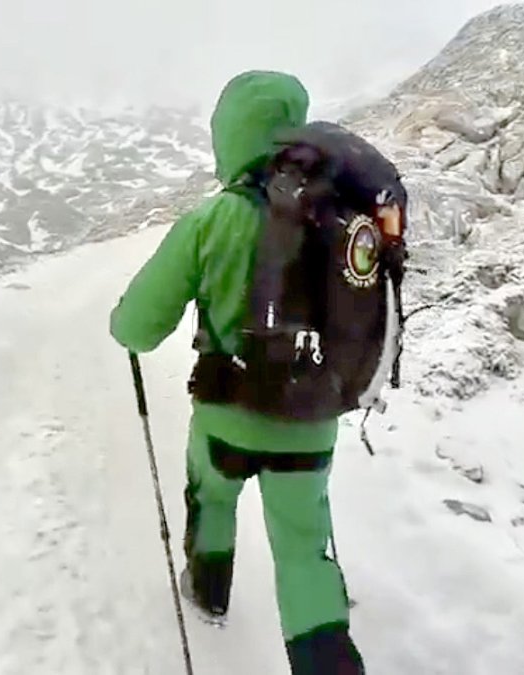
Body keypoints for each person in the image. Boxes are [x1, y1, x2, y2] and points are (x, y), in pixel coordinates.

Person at [109, 70, 366, 675]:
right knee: (305, 550)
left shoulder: (212, 219)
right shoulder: (338, 217)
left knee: (211, 497)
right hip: (310, 423)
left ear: (230, 135)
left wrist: (122, 325)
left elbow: (139, 328)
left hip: (226, 420)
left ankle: (207, 592)